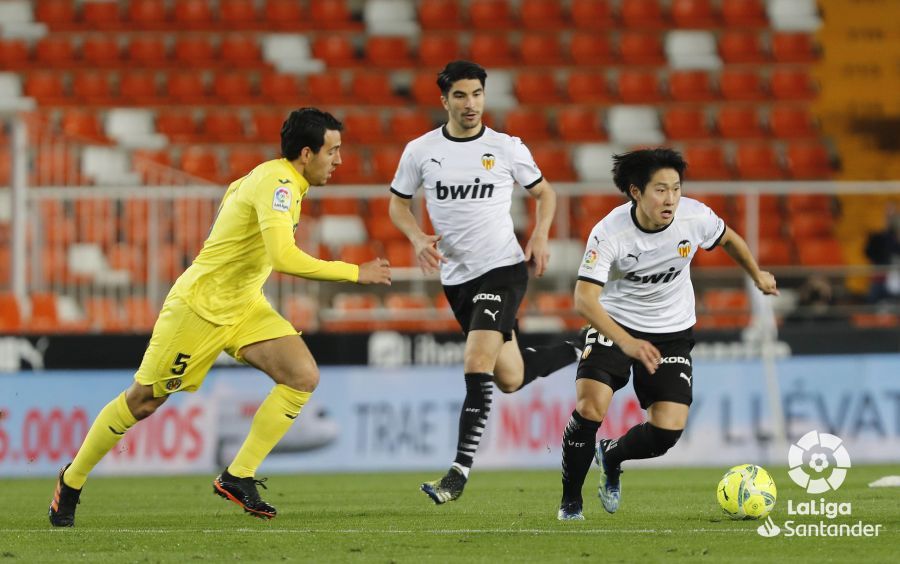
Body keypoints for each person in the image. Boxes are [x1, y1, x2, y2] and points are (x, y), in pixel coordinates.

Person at [49, 108, 392, 526]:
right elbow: (283, 257)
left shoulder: (277, 179)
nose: (339, 160)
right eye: (333, 151)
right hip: (200, 309)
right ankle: (72, 479)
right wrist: (356, 272)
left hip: (244, 305)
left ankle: (238, 475)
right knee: (143, 401)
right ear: (307, 153)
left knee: (302, 376)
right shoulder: (278, 184)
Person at [388, 60, 580, 505]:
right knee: (510, 377)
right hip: (457, 280)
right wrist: (416, 236)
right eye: (460, 95)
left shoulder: (506, 147)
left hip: (504, 269)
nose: (470, 103)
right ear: (445, 100)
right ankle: (582, 346)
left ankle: (457, 473)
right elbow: (397, 203)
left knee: (476, 362)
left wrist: (540, 233)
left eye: (477, 94)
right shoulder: (420, 151)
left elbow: (545, 192)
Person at [557, 148, 779, 521]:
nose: (671, 198)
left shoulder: (694, 216)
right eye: (660, 190)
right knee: (590, 405)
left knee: (667, 431)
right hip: (615, 324)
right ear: (635, 192)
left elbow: (729, 239)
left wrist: (756, 274)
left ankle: (612, 455)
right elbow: (583, 299)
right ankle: (570, 503)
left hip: (671, 332)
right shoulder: (610, 232)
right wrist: (626, 341)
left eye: (676, 188)